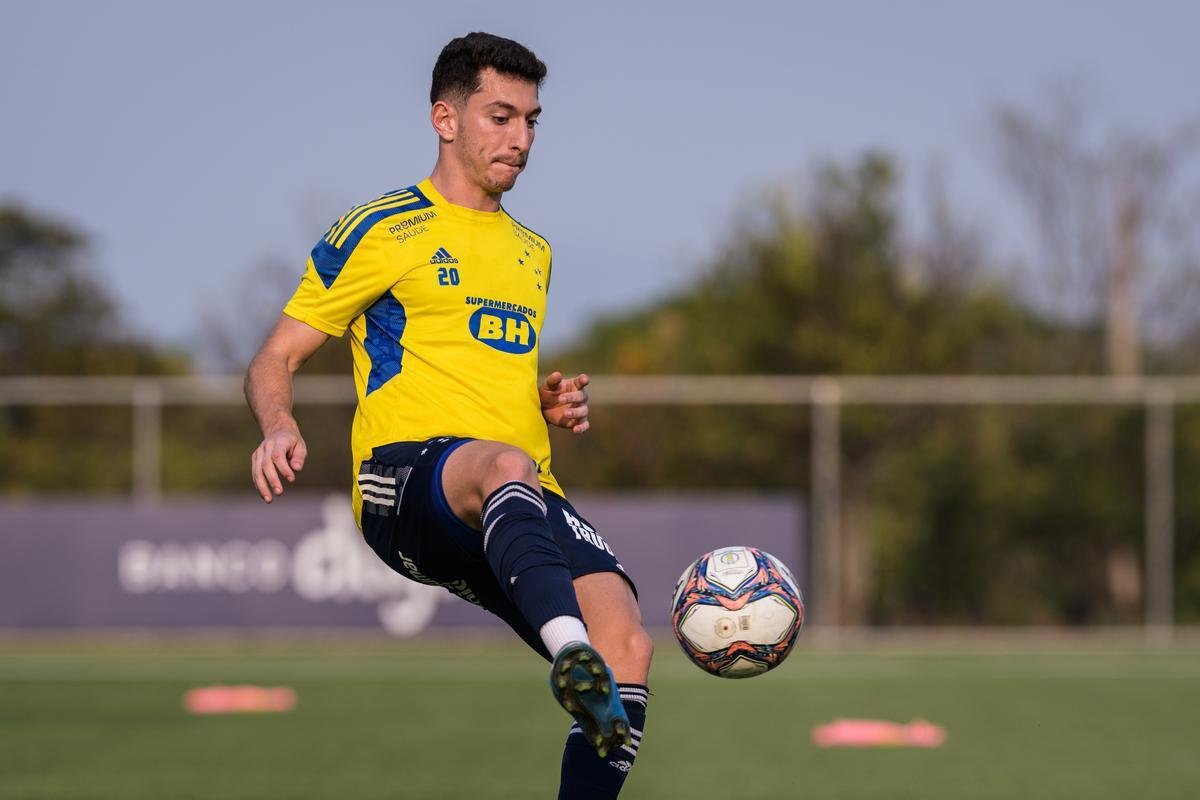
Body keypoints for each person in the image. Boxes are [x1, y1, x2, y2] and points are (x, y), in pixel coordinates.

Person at [244, 32, 653, 798]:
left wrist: (542, 402)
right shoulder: (382, 226)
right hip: (403, 484)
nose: (521, 139)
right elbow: (275, 357)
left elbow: (476, 371)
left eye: (533, 121)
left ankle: (586, 666)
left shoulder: (534, 251)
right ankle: (570, 658)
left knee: (628, 642)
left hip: (513, 492)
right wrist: (279, 423)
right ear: (445, 117)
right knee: (506, 468)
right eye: (501, 116)